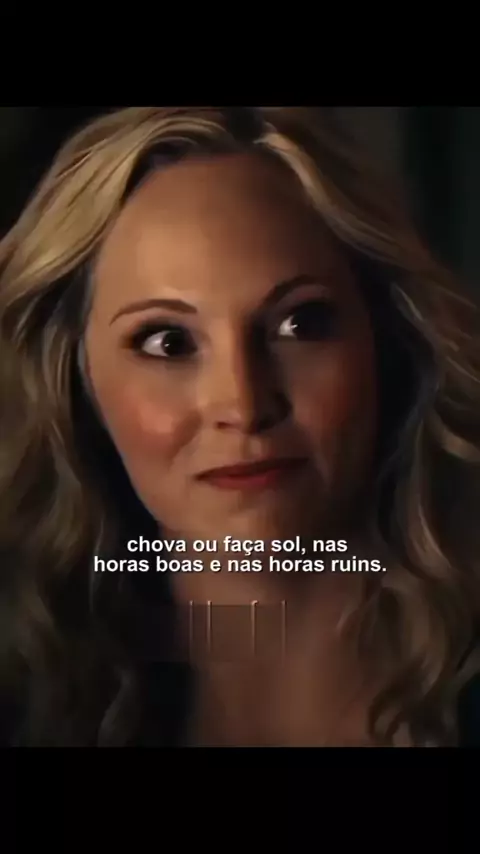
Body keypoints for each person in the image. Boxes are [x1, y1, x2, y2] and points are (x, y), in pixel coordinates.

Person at [0, 106, 479, 747]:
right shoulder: (37, 710)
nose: (245, 404)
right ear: (77, 382)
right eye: (168, 342)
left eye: (299, 324)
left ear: (388, 344)